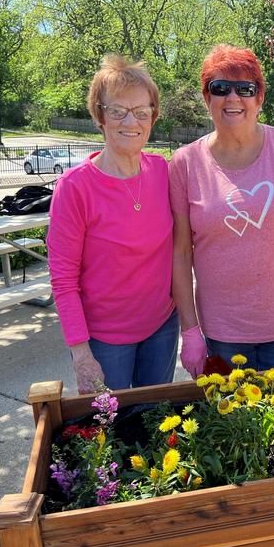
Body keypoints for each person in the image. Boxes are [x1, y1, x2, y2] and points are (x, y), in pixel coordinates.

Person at [169, 44, 274, 374]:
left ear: (260, 98)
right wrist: (190, 331)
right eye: (220, 88)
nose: (233, 98)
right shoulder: (185, 163)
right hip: (223, 332)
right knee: (231, 412)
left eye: (245, 88)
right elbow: (181, 253)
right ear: (207, 98)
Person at [47, 55, 177, 393]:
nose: (131, 121)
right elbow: (63, 280)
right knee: (111, 423)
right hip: (105, 340)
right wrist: (80, 354)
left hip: (162, 326)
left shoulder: (163, 172)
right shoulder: (75, 187)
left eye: (142, 111)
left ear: (152, 117)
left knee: (157, 417)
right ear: (100, 116)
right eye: (118, 110)